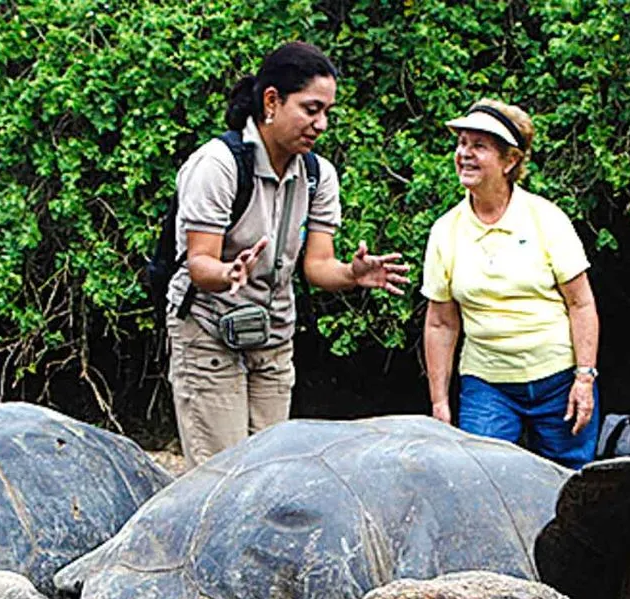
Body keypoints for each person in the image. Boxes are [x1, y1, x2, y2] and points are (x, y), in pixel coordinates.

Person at [165, 41, 410, 467]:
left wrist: (353, 275)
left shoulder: (317, 174)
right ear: (272, 102)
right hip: (207, 333)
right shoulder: (218, 165)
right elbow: (199, 263)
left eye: (327, 112)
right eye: (311, 109)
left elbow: (317, 265)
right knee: (221, 475)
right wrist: (228, 272)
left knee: (272, 472)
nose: (322, 124)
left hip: (273, 336)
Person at [421, 99, 601, 470]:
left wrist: (584, 377)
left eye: (479, 146)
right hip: (488, 383)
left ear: (509, 161)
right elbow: (441, 321)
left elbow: (581, 303)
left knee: (571, 482)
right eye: (462, 144)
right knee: (481, 479)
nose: (465, 154)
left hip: (558, 379)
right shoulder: (446, 230)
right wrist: (439, 403)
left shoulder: (546, 218)